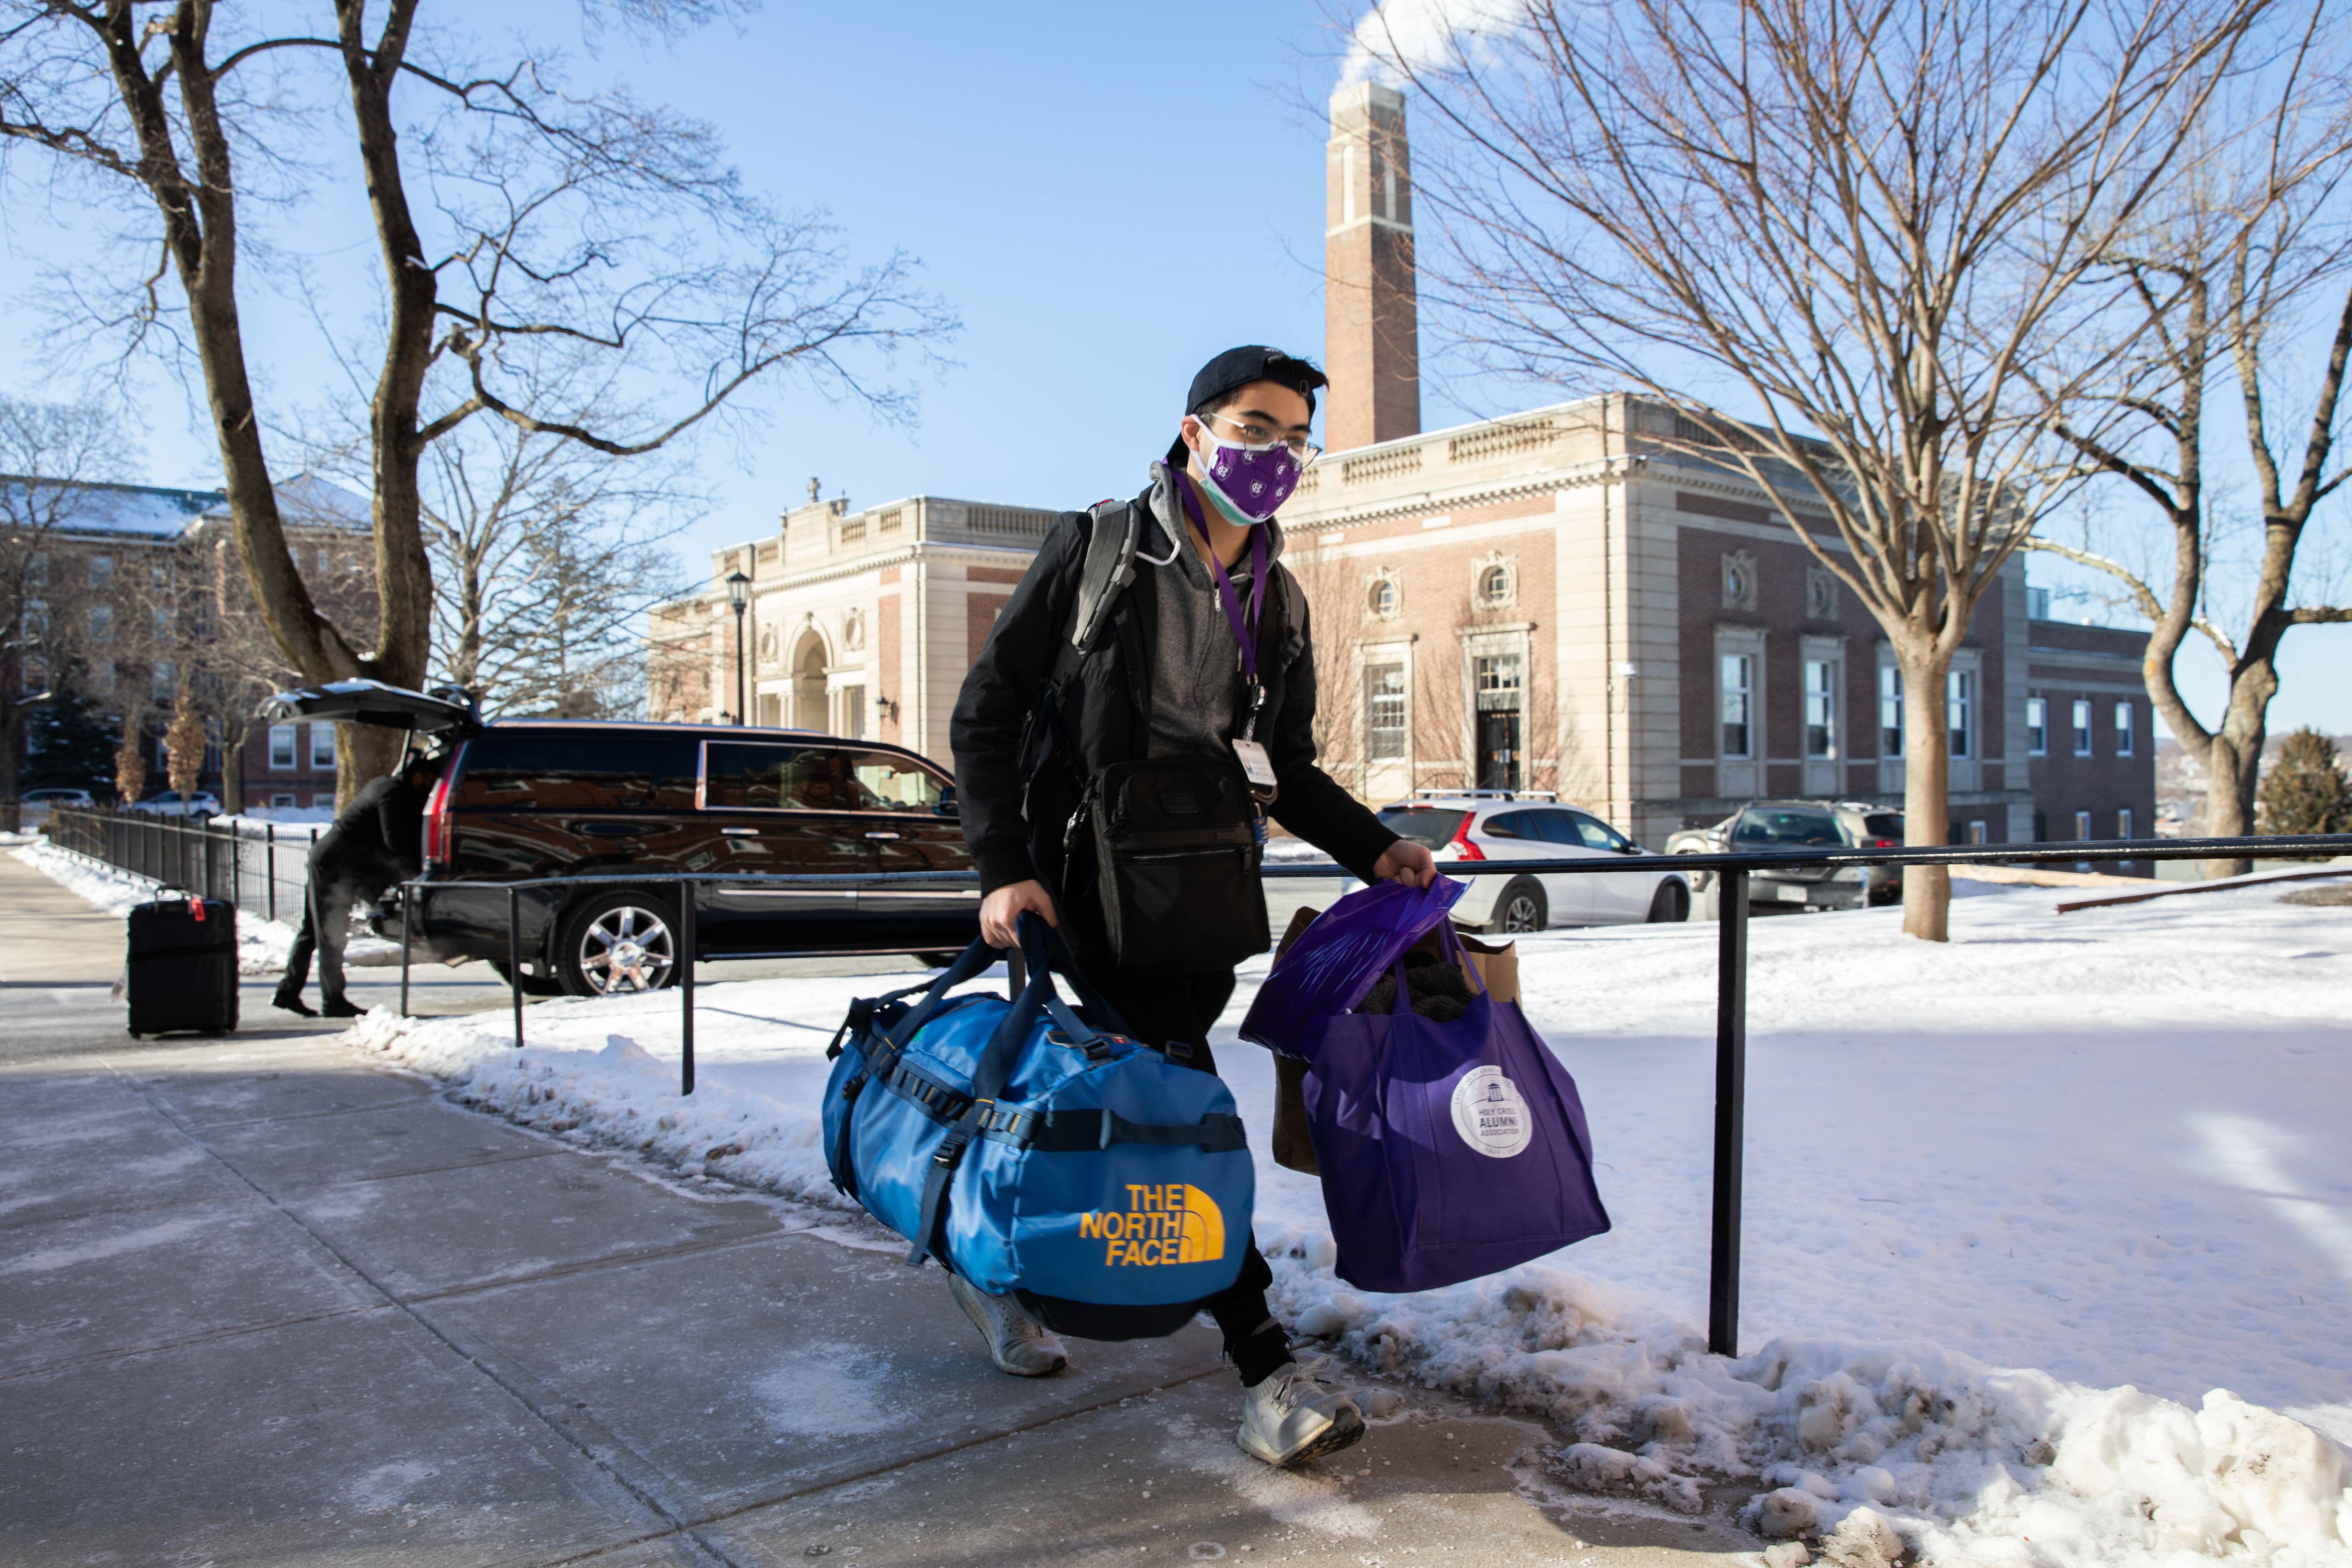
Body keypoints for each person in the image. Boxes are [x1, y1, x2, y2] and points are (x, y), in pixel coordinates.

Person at [949, 345, 1436, 1466]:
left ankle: (988, 1270)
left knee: (1092, 1105)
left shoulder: (1282, 596)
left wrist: (1377, 850)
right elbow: (986, 712)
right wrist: (999, 867)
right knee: (1181, 1108)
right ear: (1193, 431)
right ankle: (1266, 1368)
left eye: (1296, 435)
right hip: (1075, 888)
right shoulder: (1097, 549)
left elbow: (1289, 768)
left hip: (1200, 895)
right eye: (1254, 427)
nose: (1276, 453)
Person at [273, 750, 440, 1019]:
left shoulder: (388, 787)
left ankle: (288, 992)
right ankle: (333, 1001)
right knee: (331, 934)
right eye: (431, 780)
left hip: (333, 861)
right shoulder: (391, 791)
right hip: (336, 866)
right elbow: (394, 841)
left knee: (312, 932)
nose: (432, 788)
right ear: (418, 776)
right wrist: (419, 870)